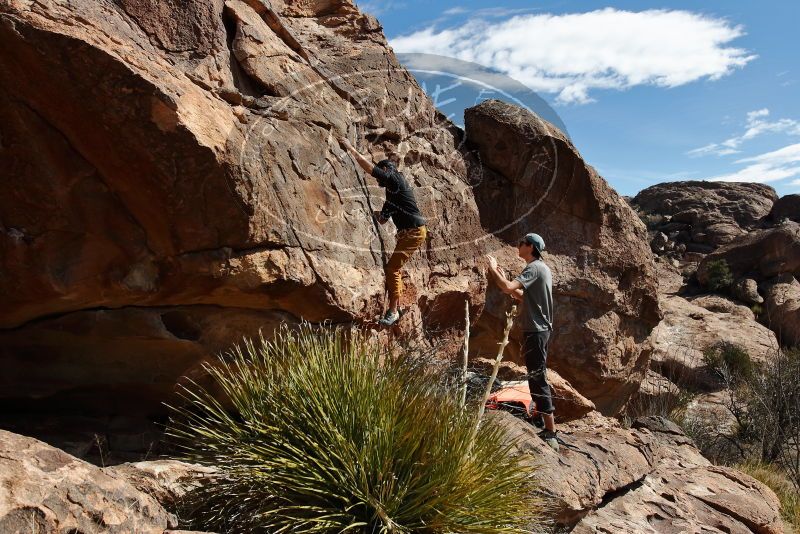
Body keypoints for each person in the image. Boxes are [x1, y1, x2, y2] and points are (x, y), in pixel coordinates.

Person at [339, 137, 427, 326]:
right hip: (411, 232)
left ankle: (394, 311)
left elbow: (370, 169)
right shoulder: (392, 195)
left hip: (413, 232)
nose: (379, 179)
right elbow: (382, 219)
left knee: (393, 268)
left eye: (381, 176)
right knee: (395, 267)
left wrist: (349, 147)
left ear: (386, 171)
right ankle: (397, 305)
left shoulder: (396, 179)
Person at [486, 233, 558, 451]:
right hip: (538, 330)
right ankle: (543, 422)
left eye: (521, 243)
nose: (518, 246)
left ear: (530, 247)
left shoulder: (534, 268)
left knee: (538, 377)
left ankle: (551, 432)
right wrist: (501, 276)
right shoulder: (541, 269)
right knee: (534, 377)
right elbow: (520, 296)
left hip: (536, 331)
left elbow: (508, 288)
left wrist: (492, 268)